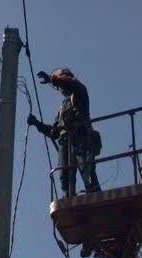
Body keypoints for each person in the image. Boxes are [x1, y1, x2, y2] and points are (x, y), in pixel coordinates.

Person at [27, 67, 101, 197]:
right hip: (65, 143)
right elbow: (54, 132)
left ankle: (94, 192)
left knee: (87, 170)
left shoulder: (79, 92)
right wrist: (37, 123)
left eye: (60, 84)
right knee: (64, 177)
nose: (60, 88)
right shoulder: (63, 107)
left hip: (80, 139)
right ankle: (68, 195)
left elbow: (70, 82)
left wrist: (52, 79)